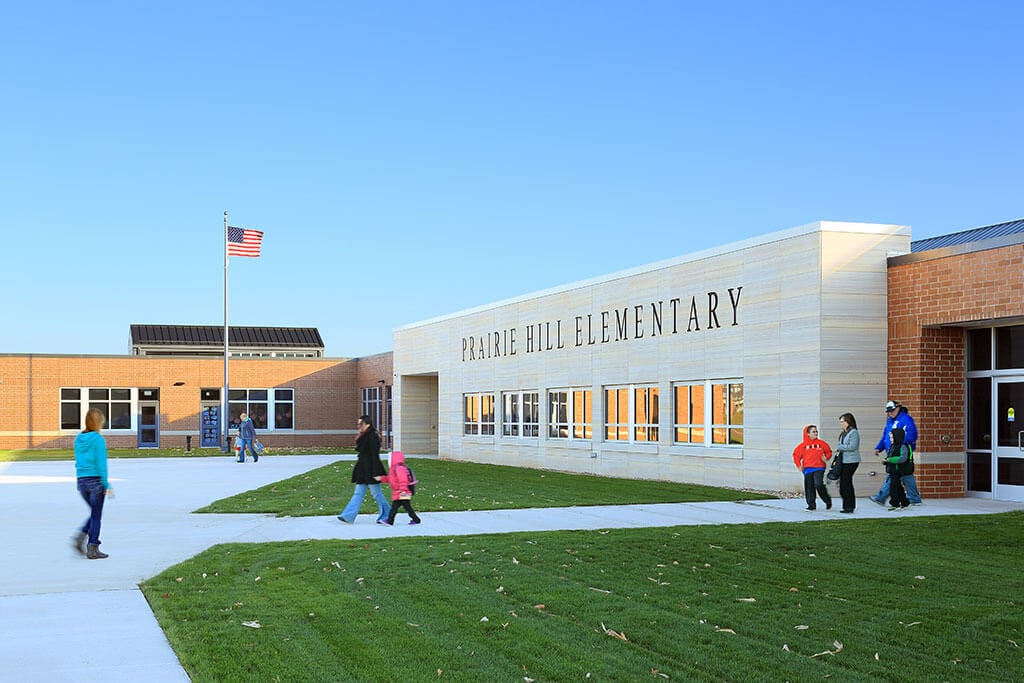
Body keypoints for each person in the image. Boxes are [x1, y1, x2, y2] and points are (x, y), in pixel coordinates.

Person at [72, 408, 113, 559]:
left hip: (82, 481)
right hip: (95, 481)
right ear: (98, 422)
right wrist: (106, 484)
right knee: (96, 516)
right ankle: (92, 547)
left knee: (94, 513)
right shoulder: (98, 439)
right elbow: (101, 464)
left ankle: (80, 537)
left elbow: (78, 461)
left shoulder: (78, 439)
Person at [337, 415, 391, 524]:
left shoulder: (372, 437)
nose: (359, 426)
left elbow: (374, 456)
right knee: (358, 494)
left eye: (361, 424)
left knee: (377, 494)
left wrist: (376, 473)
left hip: (371, 470)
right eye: (358, 424)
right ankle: (348, 516)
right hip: (363, 470)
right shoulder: (363, 436)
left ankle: (387, 515)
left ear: (368, 424)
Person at [869, 400, 922, 505]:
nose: (890, 413)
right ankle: (913, 498)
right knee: (900, 476)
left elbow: (912, 434)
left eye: (892, 410)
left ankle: (882, 497)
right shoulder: (890, 421)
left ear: (898, 408)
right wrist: (879, 447)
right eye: (889, 411)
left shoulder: (906, 419)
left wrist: (901, 444)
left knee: (902, 475)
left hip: (902, 452)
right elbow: (886, 436)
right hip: (892, 451)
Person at [792, 425, 833, 511]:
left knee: (818, 484)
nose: (816, 433)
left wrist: (826, 458)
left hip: (819, 468)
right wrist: (799, 465)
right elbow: (796, 455)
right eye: (813, 432)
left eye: (816, 431)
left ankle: (827, 500)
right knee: (809, 487)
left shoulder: (822, 443)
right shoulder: (802, 446)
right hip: (807, 469)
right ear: (808, 434)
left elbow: (829, 452)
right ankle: (811, 505)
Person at [377, 450, 421, 525]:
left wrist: (403, 490)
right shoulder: (394, 469)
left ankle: (390, 521)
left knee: (396, 507)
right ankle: (416, 519)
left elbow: (403, 480)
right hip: (400, 492)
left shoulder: (399, 468)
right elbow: (391, 479)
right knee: (406, 507)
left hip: (402, 492)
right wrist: (381, 478)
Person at [833, 413, 861, 513]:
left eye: (842, 422)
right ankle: (847, 505)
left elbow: (853, 446)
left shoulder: (853, 433)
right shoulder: (843, 433)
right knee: (844, 483)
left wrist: (839, 447)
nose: (841, 424)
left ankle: (849, 506)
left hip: (851, 461)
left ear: (848, 422)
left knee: (846, 483)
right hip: (844, 460)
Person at [883, 427, 912, 510]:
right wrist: (886, 461)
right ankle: (904, 502)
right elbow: (889, 456)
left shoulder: (903, 446)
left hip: (898, 470)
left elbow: (902, 458)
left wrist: (890, 460)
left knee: (893, 487)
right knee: (898, 486)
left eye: (892, 437)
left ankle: (895, 503)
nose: (891, 439)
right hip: (892, 470)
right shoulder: (892, 446)